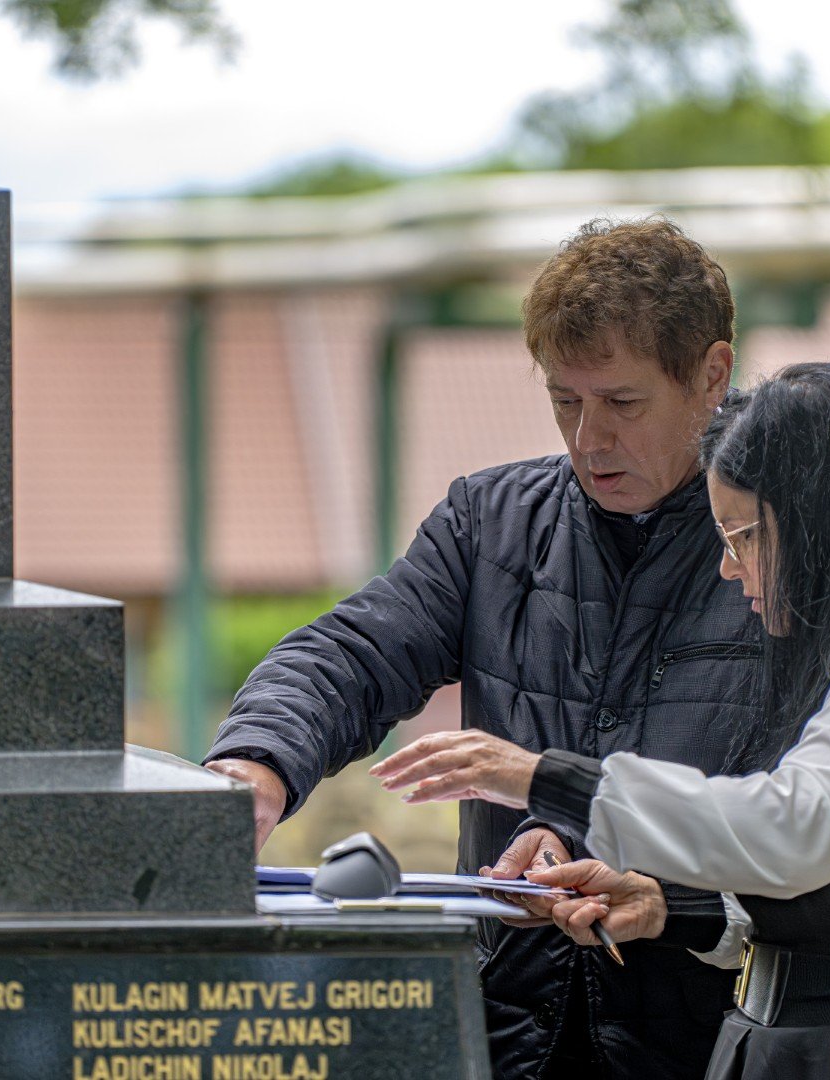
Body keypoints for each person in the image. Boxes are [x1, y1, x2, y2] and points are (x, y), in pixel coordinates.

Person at [372, 362, 830, 1079]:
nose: (729, 567)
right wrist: (670, 909)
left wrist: (543, 778)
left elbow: (789, 829)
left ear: (827, 530)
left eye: (743, 535)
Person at [203, 218, 765, 1079]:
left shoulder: (783, 551)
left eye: (621, 403)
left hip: (709, 1040)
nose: (588, 440)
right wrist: (255, 765)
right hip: (506, 1033)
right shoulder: (490, 522)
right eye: (564, 402)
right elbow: (352, 653)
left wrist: (628, 864)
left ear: (712, 375)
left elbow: (819, 818)